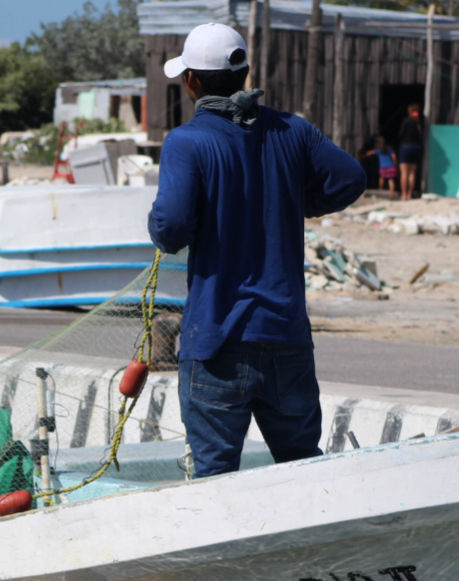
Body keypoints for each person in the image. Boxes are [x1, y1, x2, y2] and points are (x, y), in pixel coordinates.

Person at [148, 23, 366, 478]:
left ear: (191, 81)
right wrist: (298, 203)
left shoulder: (186, 141)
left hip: (217, 342)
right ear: (245, 73)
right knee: (303, 471)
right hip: (286, 337)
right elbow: (350, 179)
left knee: (215, 477)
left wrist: (173, 228)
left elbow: (170, 228)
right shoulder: (292, 131)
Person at [398, 104, 424, 201]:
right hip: (416, 147)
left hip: (406, 146)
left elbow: (401, 134)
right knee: (413, 173)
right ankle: (410, 194)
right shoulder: (419, 123)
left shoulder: (407, 121)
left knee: (404, 172)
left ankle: (404, 195)